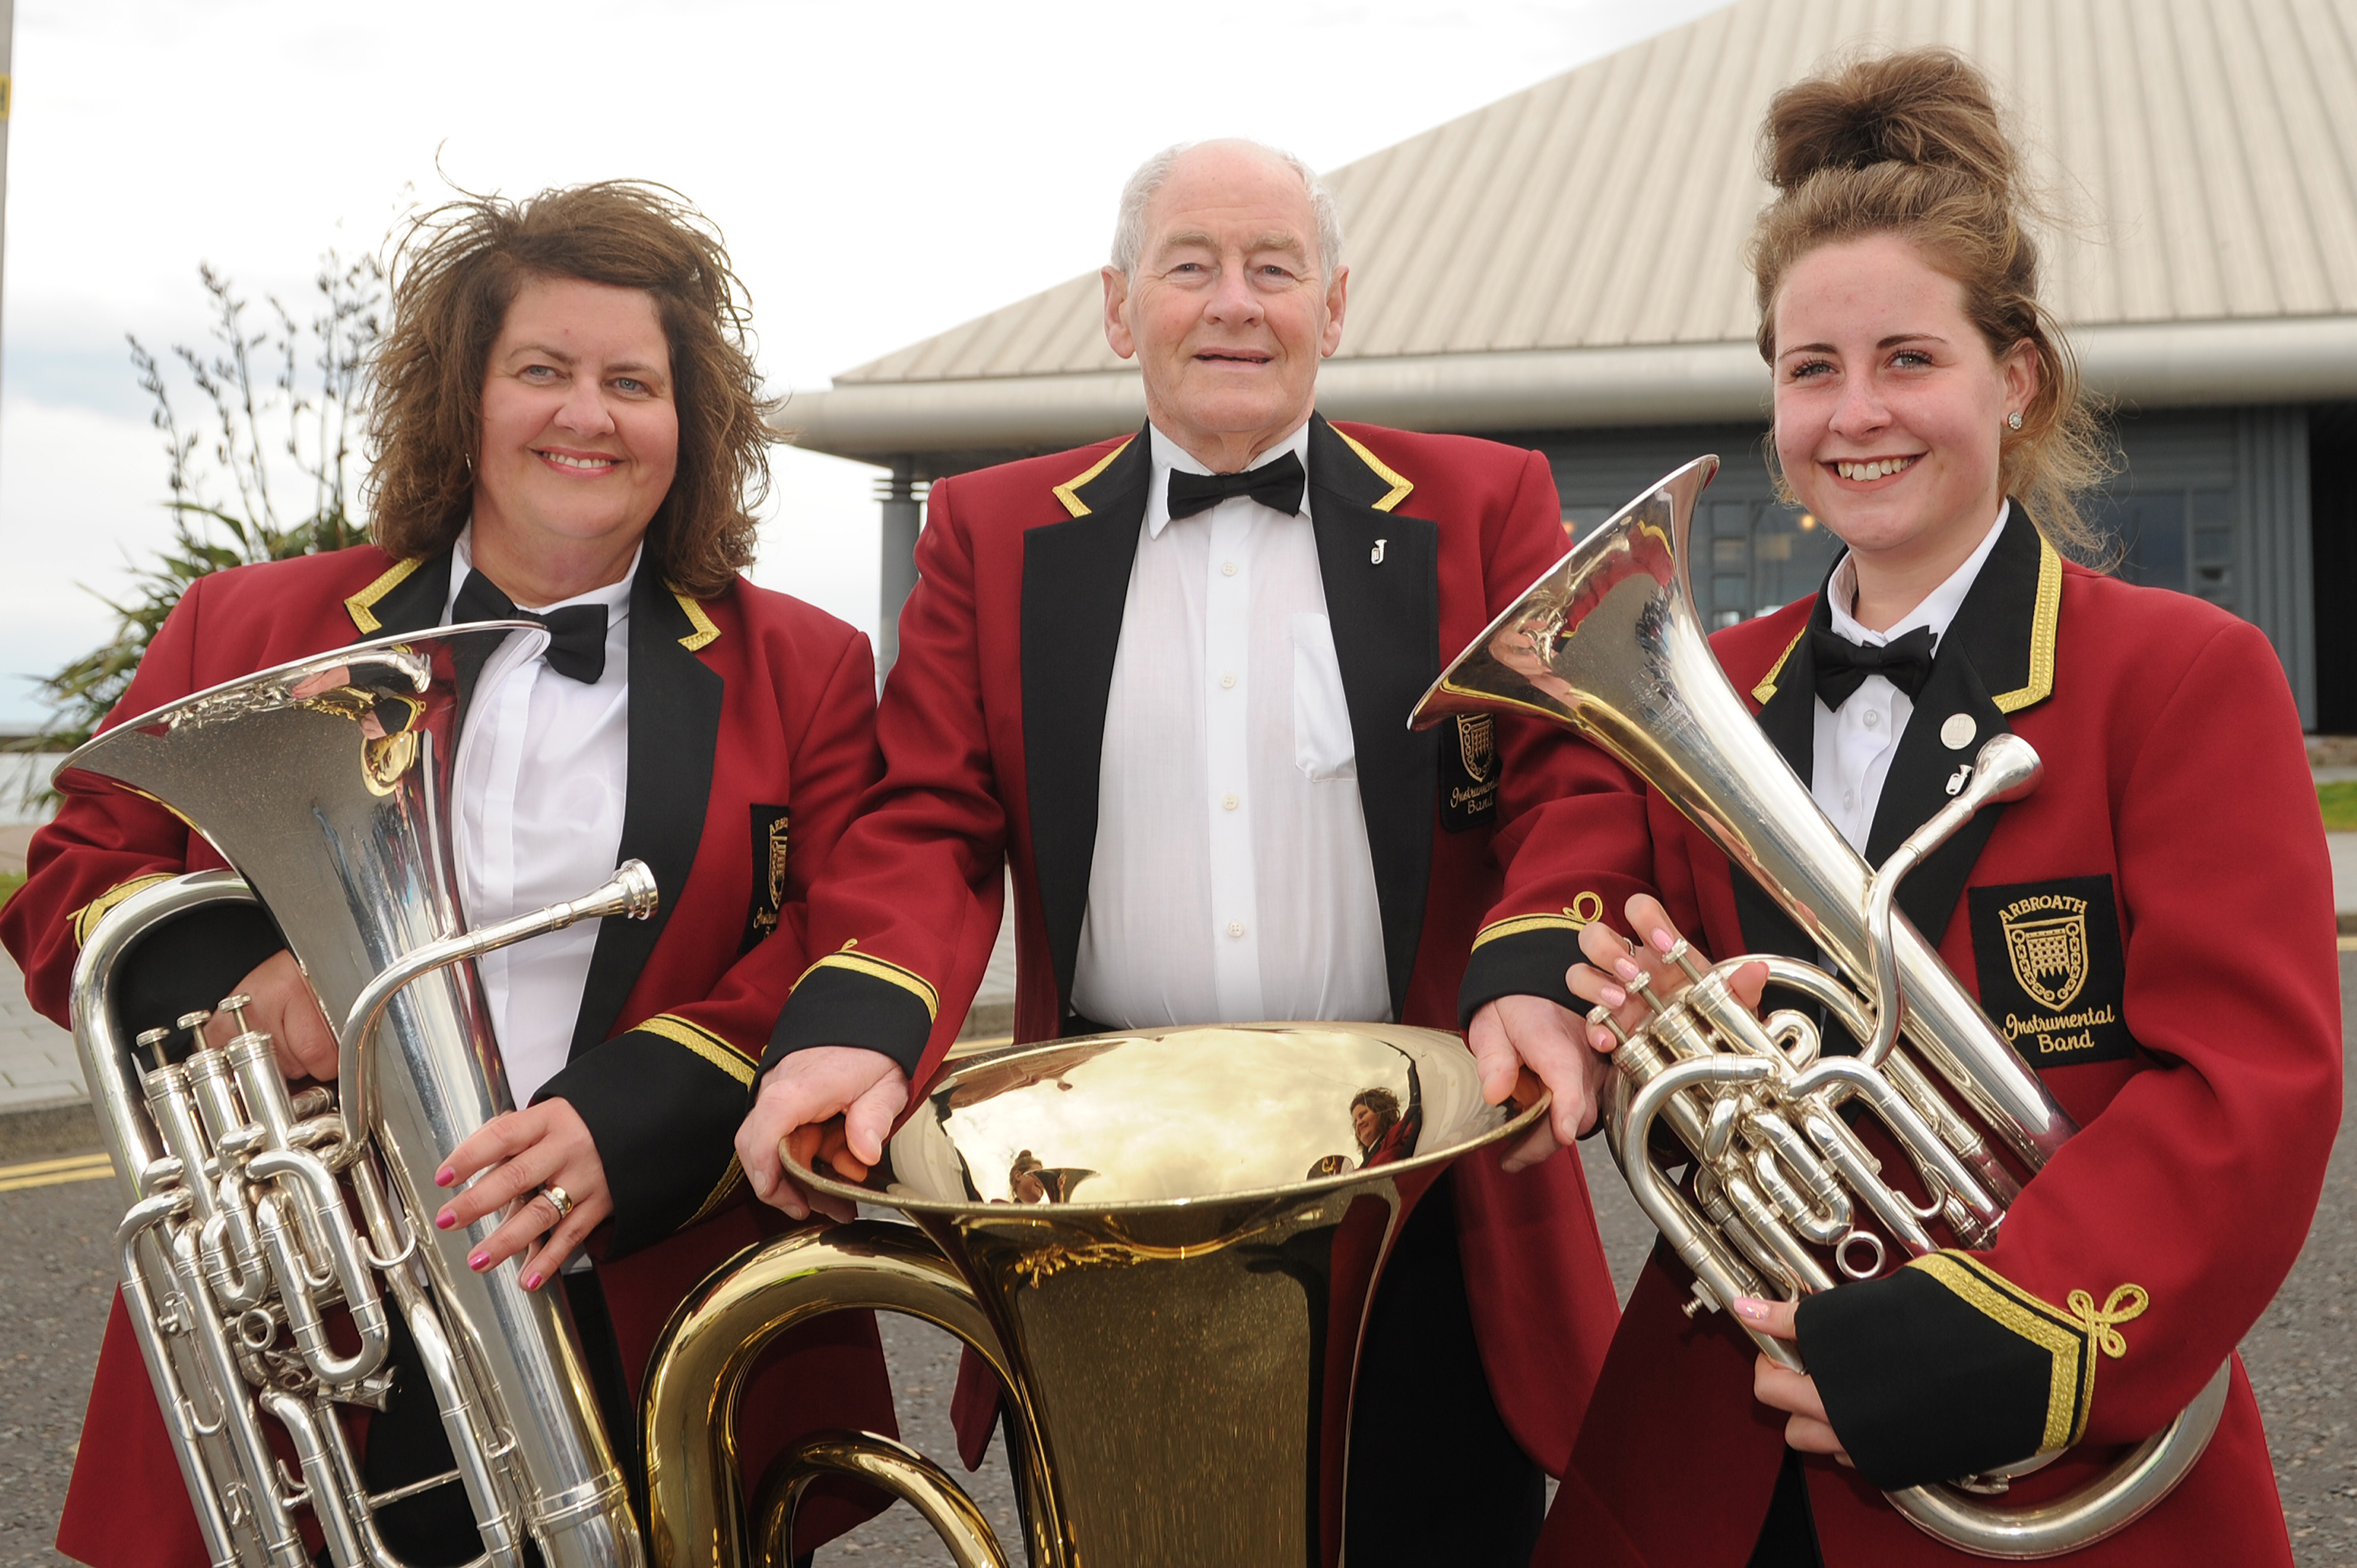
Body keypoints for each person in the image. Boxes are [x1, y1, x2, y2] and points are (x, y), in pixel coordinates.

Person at [1492, 51, 2341, 1567]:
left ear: (2015, 380)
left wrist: (1972, 1347)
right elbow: (1576, 857)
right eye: (1809, 369)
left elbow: (2250, 1096)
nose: (1854, 414)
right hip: (1720, 1452)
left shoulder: (2180, 674)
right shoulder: (1701, 684)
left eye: (1908, 360)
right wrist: (1581, 1001)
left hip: (2046, 1442)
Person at [733, 137, 1624, 1567]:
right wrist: (854, 1027)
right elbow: (924, 824)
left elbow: (1572, 778)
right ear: (1117, 304)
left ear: (1333, 310)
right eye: (1191, 267)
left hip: (1415, 1190)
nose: (1234, 305)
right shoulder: (990, 529)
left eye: (1275, 269)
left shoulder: (1483, 503)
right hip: (1098, 1205)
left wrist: (1528, 972)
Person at [3, 181, 897, 1568]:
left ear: (690, 423)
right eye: (539, 370)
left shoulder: (809, 664)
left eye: (631, 382)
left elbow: (844, 933)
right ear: (463, 400)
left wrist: (638, 1115)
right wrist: (238, 979)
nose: (585, 415)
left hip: (639, 1276)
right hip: (321, 1306)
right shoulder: (249, 622)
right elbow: (76, 872)